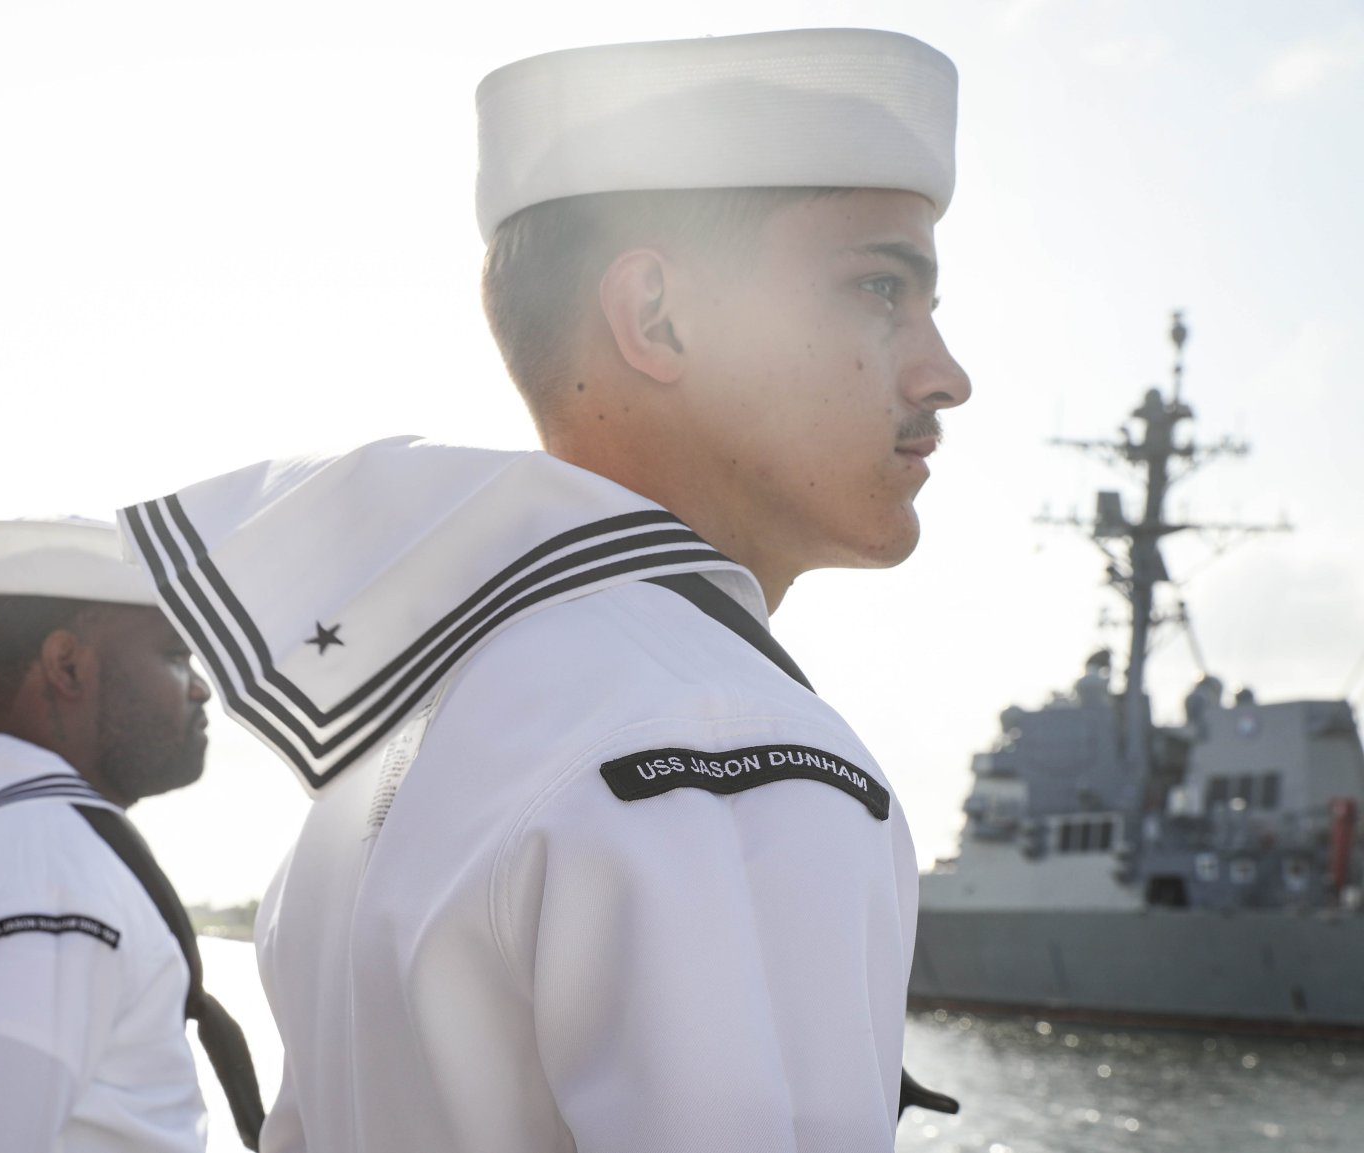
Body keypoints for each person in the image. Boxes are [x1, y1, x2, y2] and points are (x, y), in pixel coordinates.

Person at [117, 29, 970, 1152]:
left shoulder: (401, 733)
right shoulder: (718, 737)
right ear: (656, 318)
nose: (942, 373)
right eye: (879, 287)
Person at [0, 517, 261, 1153]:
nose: (201, 687)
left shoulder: (6, 840)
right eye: (175, 656)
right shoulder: (42, 869)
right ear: (66, 665)